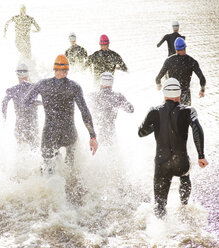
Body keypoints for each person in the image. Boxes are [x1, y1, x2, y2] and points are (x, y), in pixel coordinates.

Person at [138, 78, 208, 218]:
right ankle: (184, 209)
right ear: (179, 94)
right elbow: (197, 130)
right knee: (185, 176)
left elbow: (141, 133)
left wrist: (156, 125)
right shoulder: (188, 110)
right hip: (181, 162)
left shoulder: (154, 111)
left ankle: (160, 232)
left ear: (164, 93)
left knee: (160, 206)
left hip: (161, 164)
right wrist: (201, 156)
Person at [25, 55, 98, 173]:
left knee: (47, 166)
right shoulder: (74, 87)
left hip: (49, 131)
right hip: (68, 131)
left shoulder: (42, 84)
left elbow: (26, 102)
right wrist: (92, 136)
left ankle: (49, 189)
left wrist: (41, 103)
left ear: (54, 69)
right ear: (67, 70)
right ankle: (70, 186)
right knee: (71, 167)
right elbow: (84, 111)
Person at [156, 37, 206, 106]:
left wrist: (159, 85)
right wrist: (202, 90)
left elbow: (158, 78)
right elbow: (202, 78)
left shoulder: (169, 61)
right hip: (185, 95)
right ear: (185, 47)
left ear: (176, 49)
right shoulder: (192, 61)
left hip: (172, 94)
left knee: (172, 114)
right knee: (186, 114)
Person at [89, 72, 134, 145]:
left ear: (100, 82)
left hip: (96, 132)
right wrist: (121, 101)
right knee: (112, 151)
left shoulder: (93, 96)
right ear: (112, 83)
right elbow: (131, 109)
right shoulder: (117, 96)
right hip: (111, 131)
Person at [2, 63, 40, 148]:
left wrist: (4, 118)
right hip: (32, 126)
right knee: (35, 151)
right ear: (28, 74)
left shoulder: (13, 90)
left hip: (20, 126)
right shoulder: (35, 88)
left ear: (17, 75)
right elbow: (45, 99)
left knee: (21, 152)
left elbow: (4, 103)